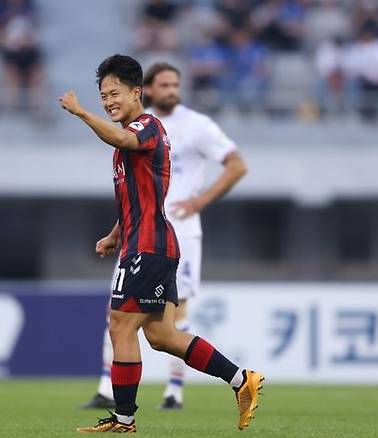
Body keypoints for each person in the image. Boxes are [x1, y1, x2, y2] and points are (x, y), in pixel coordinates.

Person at [59, 54, 263, 433]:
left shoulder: (146, 126)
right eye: (103, 96)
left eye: (114, 93)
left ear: (137, 92)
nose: (108, 101)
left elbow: (121, 136)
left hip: (148, 247)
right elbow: (140, 197)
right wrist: (115, 233)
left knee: (120, 326)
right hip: (148, 242)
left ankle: (123, 419)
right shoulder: (129, 142)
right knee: (161, 335)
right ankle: (241, 380)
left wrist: (82, 113)